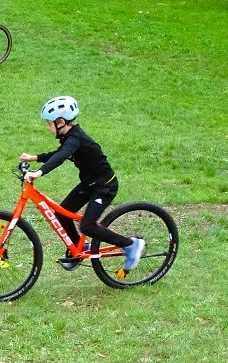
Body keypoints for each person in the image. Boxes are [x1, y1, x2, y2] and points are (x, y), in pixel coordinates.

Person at [20, 95, 145, 272]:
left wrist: (40, 172)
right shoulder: (69, 137)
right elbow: (60, 152)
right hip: (89, 184)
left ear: (61, 122)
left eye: (49, 124)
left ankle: (131, 244)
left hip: (104, 186)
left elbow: (62, 156)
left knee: (87, 225)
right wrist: (36, 158)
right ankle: (80, 249)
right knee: (62, 214)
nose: (48, 128)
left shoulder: (75, 139)